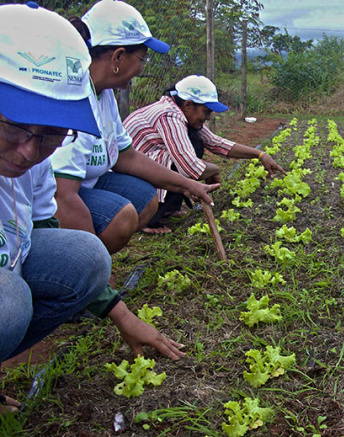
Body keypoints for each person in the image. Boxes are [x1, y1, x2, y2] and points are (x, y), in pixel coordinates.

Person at [0, 3, 184, 416]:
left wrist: (119, 312)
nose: (30, 150)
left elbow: (48, 227)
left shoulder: (37, 162)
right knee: (8, 300)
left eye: (51, 134)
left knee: (83, 258)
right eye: (14, 126)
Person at [50, 0, 220, 251]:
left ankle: (83, 255)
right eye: (142, 59)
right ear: (118, 56)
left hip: (88, 183)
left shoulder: (104, 94)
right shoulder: (74, 96)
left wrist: (189, 184)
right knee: (123, 216)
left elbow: (126, 157)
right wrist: (97, 269)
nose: (141, 68)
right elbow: (61, 196)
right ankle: (78, 264)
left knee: (145, 197)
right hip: (52, 198)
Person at [123, 74, 286, 233]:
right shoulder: (169, 115)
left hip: (140, 171)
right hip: (128, 181)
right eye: (206, 112)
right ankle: (147, 218)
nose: (207, 118)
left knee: (194, 142)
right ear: (187, 105)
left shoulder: (181, 113)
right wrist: (214, 169)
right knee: (184, 153)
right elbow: (189, 168)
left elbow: (216, 143)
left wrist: (260, 155)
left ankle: (167, 209)